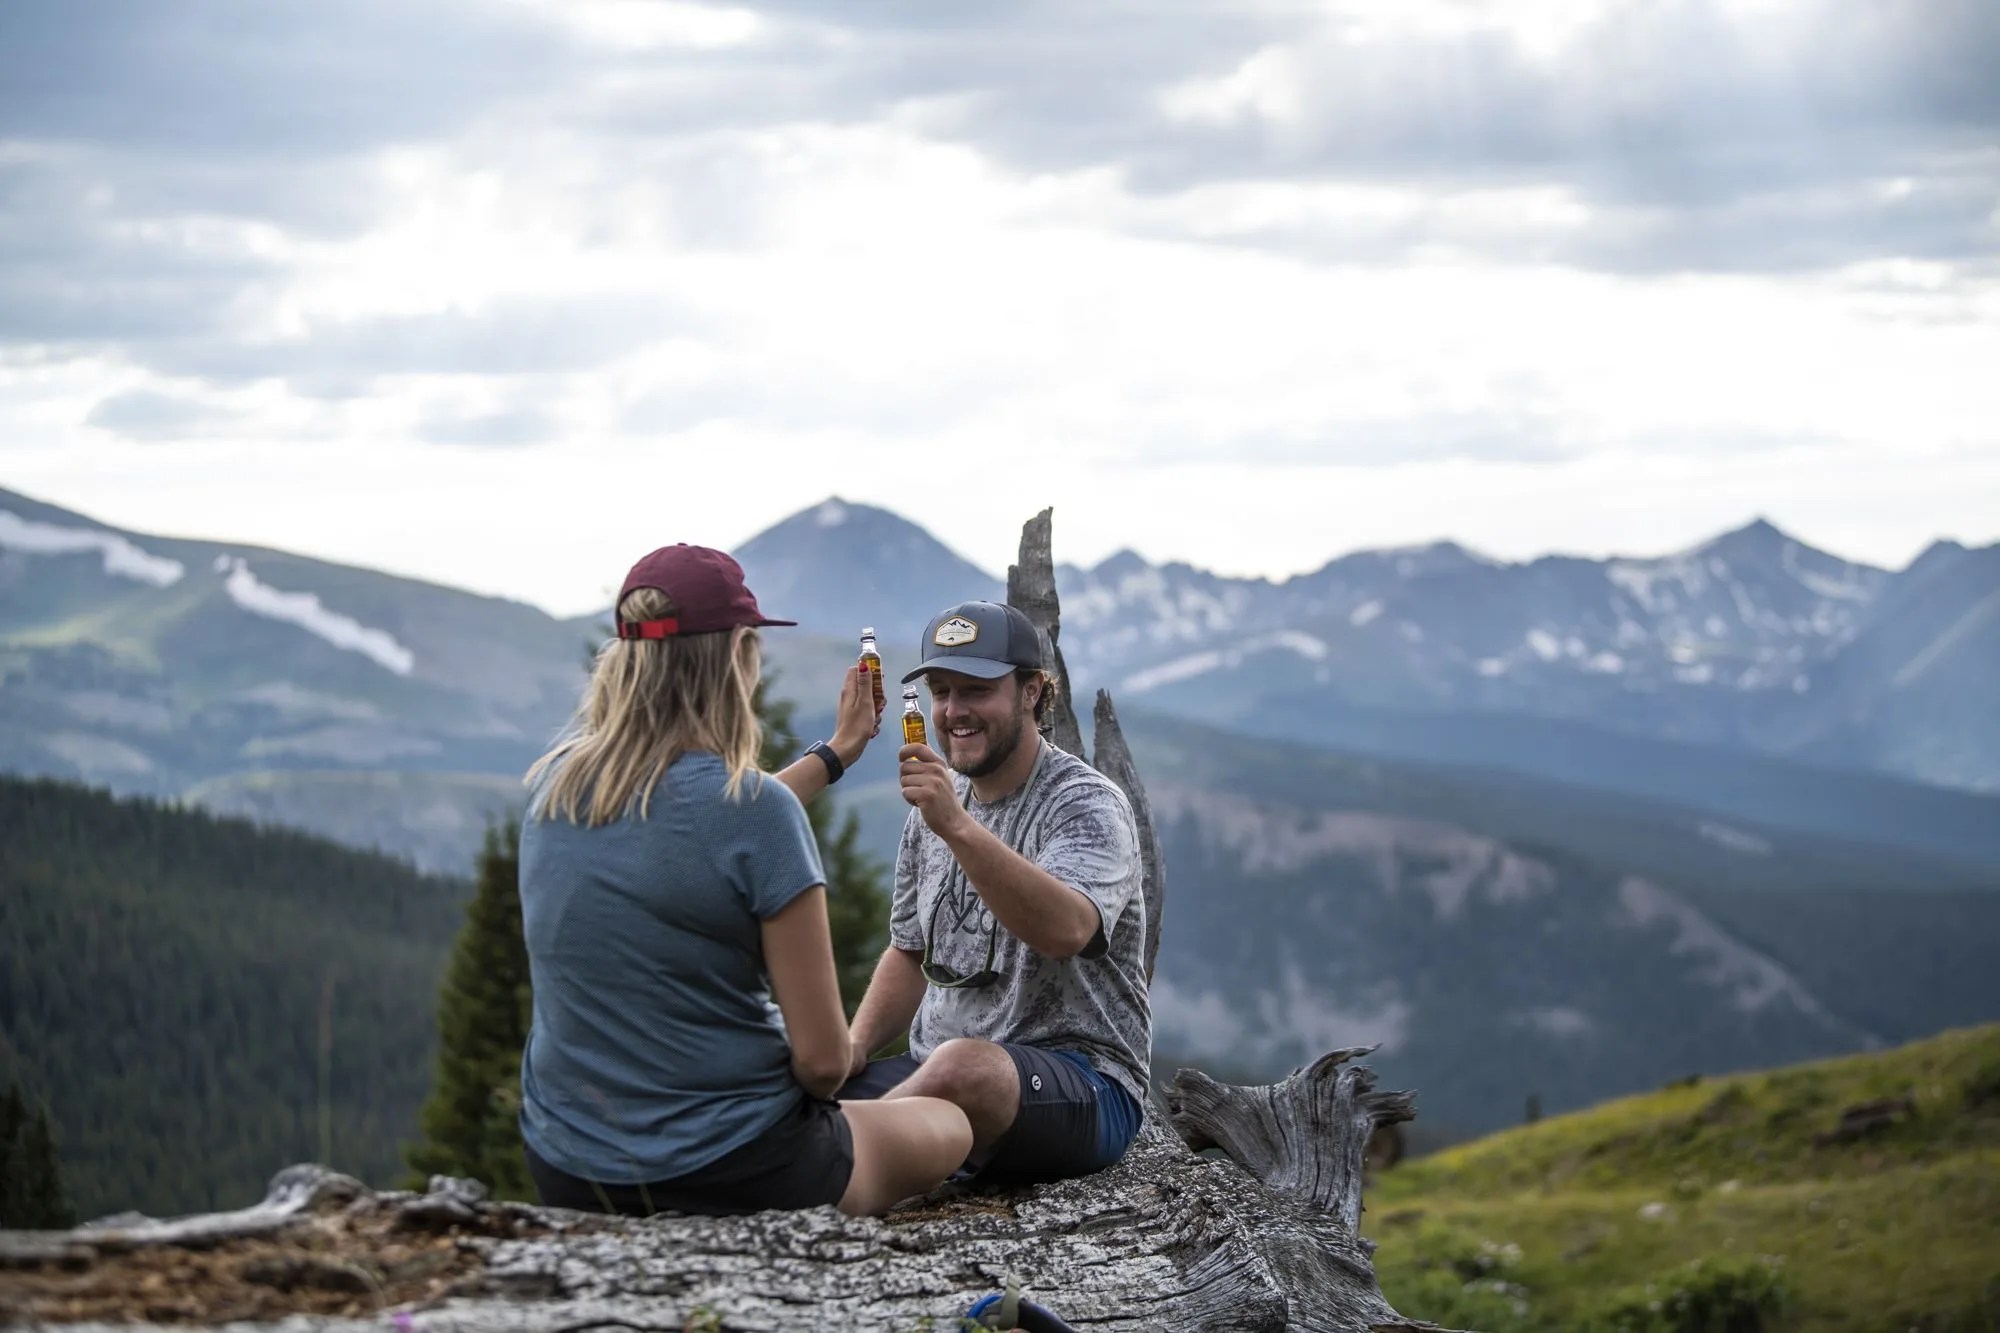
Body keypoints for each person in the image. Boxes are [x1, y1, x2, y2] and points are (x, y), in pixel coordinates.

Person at [515, 543, 972, 1218]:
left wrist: (835, 754)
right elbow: (819, 1064)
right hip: (738, 1167)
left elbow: (691, 834)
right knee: (952, 1123)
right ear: (735, 661)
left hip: (568, 1165)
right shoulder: (757, 814)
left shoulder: (554, 793)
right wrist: (849, 1049)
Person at [838, 600, 1152, 1186]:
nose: (954, 711)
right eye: (941, 691)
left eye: (976, 691)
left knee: (965, 1068)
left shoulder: (1084, 804)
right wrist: (852, 1048)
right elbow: (909, 952)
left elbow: (1067, 931)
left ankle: (826, 1166)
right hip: (931, 1067)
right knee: (801, 1064)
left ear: (1031, 691)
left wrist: (957, 827)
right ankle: (838, 1147)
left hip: (1082, 1083)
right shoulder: (936, 805)